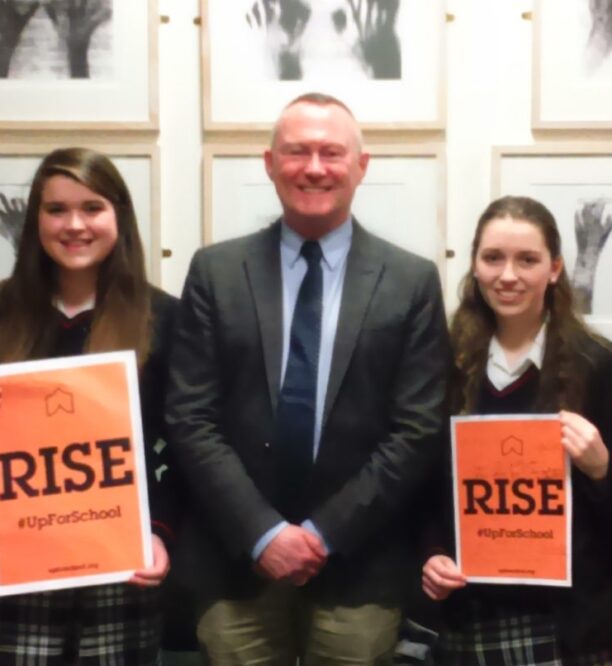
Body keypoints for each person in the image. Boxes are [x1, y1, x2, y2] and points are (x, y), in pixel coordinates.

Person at [165, 91, 449, 664]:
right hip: (235, 563)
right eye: (297, 152)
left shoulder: (412, 281)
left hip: (360, 566)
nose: (314, 168)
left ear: (360, 166)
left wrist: (322, 534)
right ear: (270, 164)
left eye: (331, 153)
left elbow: (417, 430)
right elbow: (189, 417)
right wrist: (263, 533)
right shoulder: (215, 272)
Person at [0, 147, 177, 664]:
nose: (74, 225)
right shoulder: (1, 307)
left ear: (119, 216)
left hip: (118, 558)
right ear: (36, 221)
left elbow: (183, 448)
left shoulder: (162, 316)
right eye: (56, 210)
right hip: (15, 557)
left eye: (92, 208)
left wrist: (160, 533)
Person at [421, 196, 612, 664]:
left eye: (527, 260)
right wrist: (432, 553)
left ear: (554, 268)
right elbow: (422, 490)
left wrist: (601, 469)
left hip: (576, 628)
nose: (508, 275)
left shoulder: (603, 366)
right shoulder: (443, 367)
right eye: (493, 258)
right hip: (472, 616)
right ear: (475, 265)